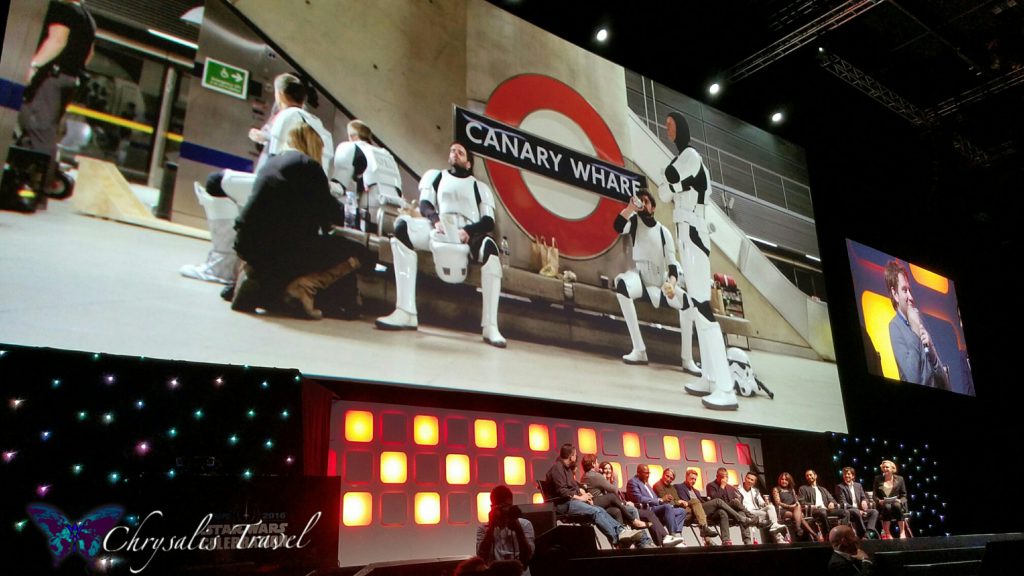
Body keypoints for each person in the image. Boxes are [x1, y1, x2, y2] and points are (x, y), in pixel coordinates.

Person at [182, 73, 334, 286]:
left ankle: (221, 266)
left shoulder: (286, 116)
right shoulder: (320, 125)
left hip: (283, 189)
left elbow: (273, 166)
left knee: (215, 182)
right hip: (309, 196)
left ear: (280, 94)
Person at [375, 142, 506, 348]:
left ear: (469, 163)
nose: (455, 154)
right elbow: (425, 204)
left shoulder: (480, 188)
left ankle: (490, 326)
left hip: (468, 233)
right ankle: (406, 311)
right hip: (439, 227)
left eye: (460, 152)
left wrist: (468, 231)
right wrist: (435, 220)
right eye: (453, 150)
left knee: (490, 249)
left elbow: (488, 221)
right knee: (402, 228)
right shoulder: (435, 177)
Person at [231, 123, 361, 319]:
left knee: (292, 243)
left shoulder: (273, 162)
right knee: (356, 249)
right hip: (280, 249)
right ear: (314, 146)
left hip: (247, 243)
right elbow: (330, 215)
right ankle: (303, 288)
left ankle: (254, 277)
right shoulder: (310, 167)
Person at [659, 112, 735, 409]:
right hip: (685, 233)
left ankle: (725, 388)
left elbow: (669, 178)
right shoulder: (685, 159)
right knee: (694, 304)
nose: (666, 128)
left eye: (670, 124)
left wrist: (676, 184)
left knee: (702, 306)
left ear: (681, 127)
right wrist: (678, 185)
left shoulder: (690, 155)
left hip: (694, 232)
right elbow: (664, 193)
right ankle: (710, 377)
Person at [18, 0, 96, 192]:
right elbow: (89, 54)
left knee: (38, 128)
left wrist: (33, 65)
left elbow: (57, 40)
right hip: (71, 79)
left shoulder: (62, 8)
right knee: (46, 130)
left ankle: (39, 186)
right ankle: (39, 178)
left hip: (52, 76)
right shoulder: (88, 18)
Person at [611, 188, 684, 364]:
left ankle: (687, 359)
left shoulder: (664, 232)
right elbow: (618, 226)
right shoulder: (634, 222)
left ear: (653, 207)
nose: (643, 204)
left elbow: (672, 266)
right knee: (622, 288)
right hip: (640, 278)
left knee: (688, 303)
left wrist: (672, 285)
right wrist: (630, 208)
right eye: (640, 201)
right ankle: (639, 349)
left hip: (660, 283)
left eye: (646, 201)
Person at [542, 444, 650, 548]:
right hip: (563, 505)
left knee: (599, 509)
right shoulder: (557, 468)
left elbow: (573, 487)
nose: (576, 457)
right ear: (571, 456)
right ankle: (619, 537)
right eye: (575, 454)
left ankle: (621, 533)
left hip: (573, 502)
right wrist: (581, 498)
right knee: (595, 511)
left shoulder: (567, 469)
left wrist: (584, 494)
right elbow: (562, 491)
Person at [884, 259, 949, 388]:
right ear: (895, 294)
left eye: (910, 290)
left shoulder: (919, 319)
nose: (911, 297)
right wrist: (915, 333)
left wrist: (933, 353)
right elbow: (912, 378)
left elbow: (945, 384)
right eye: (904, 290)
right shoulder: (894, 327)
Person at [331, 119, 403, 233]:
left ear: (352, 136)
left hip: (368, 213)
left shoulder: (350, 147)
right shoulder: (386, 154)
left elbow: (338, 188)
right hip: (393, 217)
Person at [597, 461, 675, 547]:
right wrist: (602, 477)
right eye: (605, 469)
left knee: (670, 509)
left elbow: (615, 488)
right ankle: (655, 541)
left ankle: (666, 539)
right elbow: (638, 498)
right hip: (620, 508)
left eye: (609, 469)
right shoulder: (602, 483)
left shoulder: (614, 482)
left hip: (626, 507)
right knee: (647, 514)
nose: (608, 471)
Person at [677, 468, 749, 546]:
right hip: (691, 510)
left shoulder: (696, 491)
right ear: (686, 477)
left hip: (702, 510)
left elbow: (703, 502)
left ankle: (726, 541)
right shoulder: (679, 487)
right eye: (691, 478)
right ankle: (740, 518)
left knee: (722, 512)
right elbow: (682, 501)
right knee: (717, 501)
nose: (693, 481)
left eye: (695, 479)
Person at [579, 455, 648, 529]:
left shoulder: (584, 476)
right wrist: (615, 478)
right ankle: (633, 521)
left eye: (609, 469)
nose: (598, 465)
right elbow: (614, 490)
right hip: (596, 503)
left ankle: (622, 532)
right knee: (614, 498)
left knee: (616, 511)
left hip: (597, 504)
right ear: (593, 464)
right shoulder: (596, 476)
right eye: (597, 462)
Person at [625, 464, 686, 546]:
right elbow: (639, 498)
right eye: (645, 473)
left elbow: (653, 497)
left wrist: (664, 500)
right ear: (638, 473)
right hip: (647, 508)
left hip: (656, 507)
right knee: (667, 507)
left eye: (648, 473)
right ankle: (672, 536)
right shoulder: (633, 482)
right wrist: (660, 500)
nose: (647, 475)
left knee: (681, 511)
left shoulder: (646, 483)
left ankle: (675, 534)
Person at [476, 485, 534, 572]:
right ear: (492, 507)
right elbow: (481, 556)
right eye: (501, 507)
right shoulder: (483, 529)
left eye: (507, 506)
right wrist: (491, 528)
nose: (504, 511)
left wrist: (518, 530)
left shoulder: (525, 524)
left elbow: (529, 555)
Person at [651, 468, 719, 539]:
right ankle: (704, 528)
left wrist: (678, 502)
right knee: (695, 502)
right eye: (667, 476)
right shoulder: (659, 485)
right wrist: (679, 502)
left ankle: (705, 533)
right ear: (663, 474)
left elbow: (676, 499)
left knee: (700, 508)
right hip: (669, 511)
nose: (669, 479)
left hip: (684, 510)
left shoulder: (672, 488)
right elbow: (666, 500)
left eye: (671, 478)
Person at [706, 467, 762, 545]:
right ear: (717, 476)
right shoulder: (711, 486)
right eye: (722, 477)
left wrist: (738, 498)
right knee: (724, 511)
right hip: (717, 511)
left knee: (741, 512)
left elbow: (739, 498)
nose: (724, 479)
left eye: (726, 476)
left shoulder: (730, 487)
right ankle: (726, 540)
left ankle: (747, 540)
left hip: (730, 511)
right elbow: (715, 500)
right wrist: (722, 486)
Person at [798, 469, 850, 541]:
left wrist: (831, 503)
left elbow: (832, 499)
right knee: (822, 512)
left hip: (826, 510)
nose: (809, 477)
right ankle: (829, 534)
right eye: (807, 476)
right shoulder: (803, 488)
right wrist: (813, 506)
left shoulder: (823, 489)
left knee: (846, 512)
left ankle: (842, 534)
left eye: (810, 475)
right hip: (814, 511)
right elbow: (801, 502)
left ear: (815, 476)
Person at [736, 471, 788, 543]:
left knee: (770, 507)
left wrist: (766, 504)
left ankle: (774, 526)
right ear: (745, 478)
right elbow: (737, 504)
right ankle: (779, 538)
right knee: (770, 516)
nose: (749, 481)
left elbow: (762, 503)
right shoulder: (738, 489)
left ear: (754, 482)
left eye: (752, 480)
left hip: (757, 510)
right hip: (747, 511)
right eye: (748, 478)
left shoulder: (755, 491)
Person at [835, 467, 879, 538]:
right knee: (856, 511)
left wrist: (864, 501)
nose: (846, 475)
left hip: (860, 510)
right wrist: (858, 510)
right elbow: (843, 503)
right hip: (849, 510)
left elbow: (863, 497)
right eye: (845, 474)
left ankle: (868, 532)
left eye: (848, 474)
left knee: (874, 512)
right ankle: (862, 533)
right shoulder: (840, 487)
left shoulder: (858, 485)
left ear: (853, 476)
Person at [773, 472, 817, 541]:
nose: (784, 481)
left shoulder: (792, 490)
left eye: (786, 480)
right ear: (780, 480)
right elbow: (778, 503)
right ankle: (812, 533)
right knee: (800, 517)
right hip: (782, 510)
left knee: (798, 506)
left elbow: (796, 501)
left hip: (793, 509)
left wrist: (795, 504)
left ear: (789, 481)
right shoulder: (776, 489)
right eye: (782, 479)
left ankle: (800, 530)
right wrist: (790, 506)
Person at [871, 460, 909, 540]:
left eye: (887, 467)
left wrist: (900, 500)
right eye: (883, 467)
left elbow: (904, 495)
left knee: (897, 505)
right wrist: (879, 501)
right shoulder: (878, 479)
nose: (885, 469)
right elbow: (874, 496)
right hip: (883, 505)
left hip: (896, 504)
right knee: (887, 506)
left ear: (892, 468)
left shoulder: (900, 479)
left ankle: (902, 532)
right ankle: (887, 533)